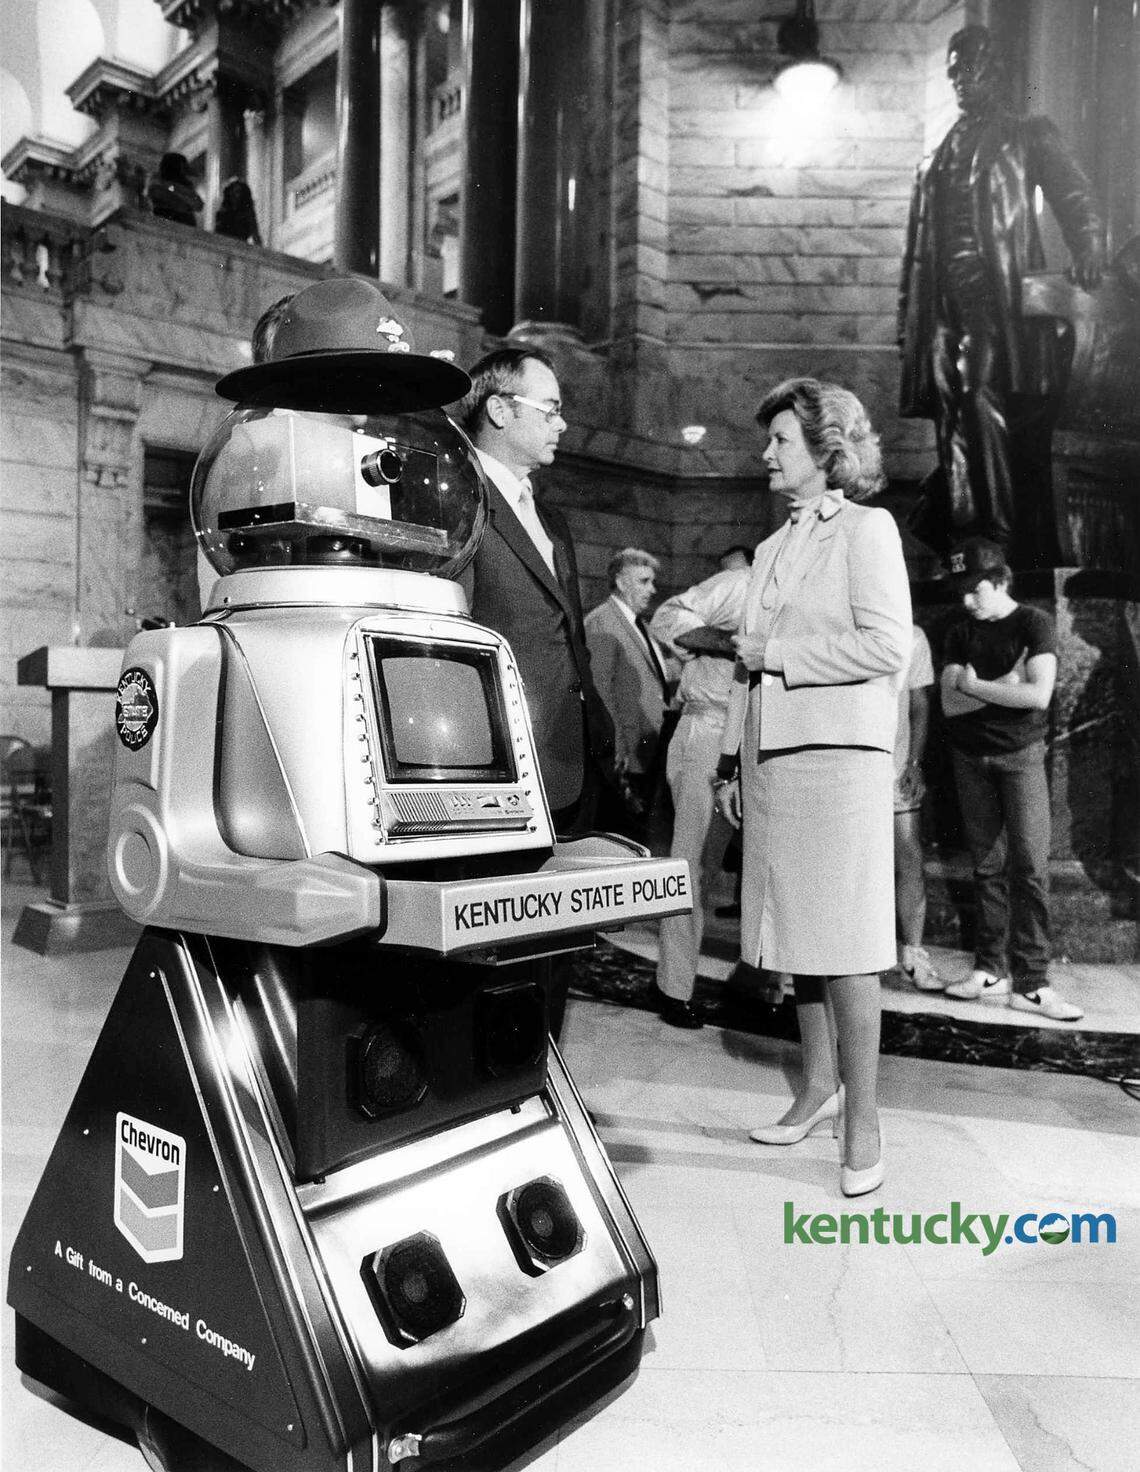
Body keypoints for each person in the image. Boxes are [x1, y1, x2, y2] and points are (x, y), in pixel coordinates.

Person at [713, 378, 911, 1197]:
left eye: (782, 441)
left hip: (837, 762)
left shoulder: (867, 530)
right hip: (773, 759)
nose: (768, 453)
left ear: (826, 452)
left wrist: (781, 656)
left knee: (848, 947)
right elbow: (740, 664)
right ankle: (816, 1089)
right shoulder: (770, 547)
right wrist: (730, 760)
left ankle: (863, 1120)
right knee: (795, 939)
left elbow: (886, 647)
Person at [898, 25, 1104, 559]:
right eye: (954, 72)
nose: (961, 81)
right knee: (951, 410)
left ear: (996, 72)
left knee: (978, 393)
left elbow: (1074, 193)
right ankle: (968, 533)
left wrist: (1088, 246)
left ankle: (999, 532)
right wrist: (907, 321)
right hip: (942, 303)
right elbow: (916, 250)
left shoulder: (1028, 133)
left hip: (1000, 296)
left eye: (971, 69)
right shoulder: (938, 156)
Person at [455, 347, 613, 1039]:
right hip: (496, 769)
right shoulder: (457, 501)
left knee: (553, 941)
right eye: (548, 409)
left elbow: (562, 639)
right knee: (489, 952)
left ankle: (536, 1079)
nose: (562, 425)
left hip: (566, 761)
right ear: (497, 409)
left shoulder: (555, 520)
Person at [939, 538, 1082, 1020]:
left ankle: (1033, 981)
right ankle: (991, 970)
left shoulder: (1033, 623)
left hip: (1020, 757)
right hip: (969, 758)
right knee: (987, 866)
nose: (965, 601)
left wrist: (976, 685)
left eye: (974, 590)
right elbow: (948, 703)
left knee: (1031, 866)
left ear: (1000, 582)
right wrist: (1007, 688)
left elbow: (1039, 696)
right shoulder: (959, 629)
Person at [647, 557, 752, 1027]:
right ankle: (674, 987)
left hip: (760, 741)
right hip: (708, 731)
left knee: (741, 870)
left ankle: (758, 984)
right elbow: (667, 616)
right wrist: (735, 644)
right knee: (691, 866)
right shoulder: (738, 583)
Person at [585, 548, 669, 841]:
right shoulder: (602, 621)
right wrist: (616, 754)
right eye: (644, 581)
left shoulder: (639, 625)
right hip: (624, 761)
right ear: (621, 582)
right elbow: (601, 694)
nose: (653, 590)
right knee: (623, 840)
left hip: (645, 754)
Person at [894, 623, 942, 991]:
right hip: (847, 767)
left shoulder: (912, 636)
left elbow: (920, 705)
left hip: (894, 768)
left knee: (909, 856)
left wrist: (914, 763)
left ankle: (913, 952)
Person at [147, 152, 203, 227]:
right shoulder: (158, 182)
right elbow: (160, 194)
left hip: (186, 223)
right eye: (182, 166)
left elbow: (198, 204)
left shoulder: (184, 185)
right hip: (166, 221)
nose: (184, 170)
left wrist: (173, 190)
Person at [214, 177, 261, 245]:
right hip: (223, 244)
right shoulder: (224, 210)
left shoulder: (247, 213)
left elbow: (255, 234)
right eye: (232, 191)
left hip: (239, 246)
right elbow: (217, 231)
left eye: (237, 192)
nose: (233, 195)